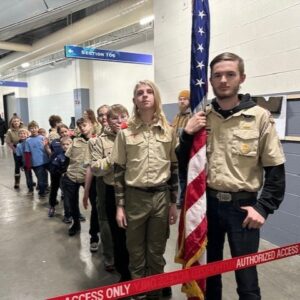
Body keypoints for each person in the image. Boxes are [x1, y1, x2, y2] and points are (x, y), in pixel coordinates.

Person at [176, 52, 286, 300]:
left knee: (246, 280)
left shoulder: (259, 117)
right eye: (217, 75)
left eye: (230, 74)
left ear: (241, 78)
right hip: (208, 206)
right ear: (211, 81)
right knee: (209, 275)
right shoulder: (202, 117)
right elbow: (184, 163)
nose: (223, 80)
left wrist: (264, 208)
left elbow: (275, 169)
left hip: (243, 209)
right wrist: (186, 134)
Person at [112, 80, 178, 300]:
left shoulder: (169, 131)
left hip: (160, 197)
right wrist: (120, 206)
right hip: (134, 198)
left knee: (156, 254)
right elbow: (119, 170)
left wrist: (172, 204)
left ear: (156, 97)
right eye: (140, 93)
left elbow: (174, 168)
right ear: (135, 100)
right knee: (136, 253)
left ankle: (156, 294)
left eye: (149, 92)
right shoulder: (125, 133)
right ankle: (139, 296)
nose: (145, 96)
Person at [88, 104, 131, 280]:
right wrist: (113, 158)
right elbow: (95, 168)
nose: (119, 121)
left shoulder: (135, 135)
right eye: (114, 117)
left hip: (134, 192)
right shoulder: (100, 141)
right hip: (112, 191)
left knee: (136, 235)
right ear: (108, 120)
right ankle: (124, 273)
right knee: (118, 235)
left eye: (123, 116)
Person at [62, 118, 99, 245]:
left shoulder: (97, 140)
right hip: (72, 175)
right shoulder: (75, 140)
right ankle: (76, 224)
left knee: (95, 204)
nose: (82, 128)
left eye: (85, 125)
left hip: (89, 177)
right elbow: (67, 156)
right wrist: (65, 172)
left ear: (91, 125)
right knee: (72, 203)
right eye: (80, 126)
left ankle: (95, 230)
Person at [171, 90, 191, 208]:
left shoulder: (192, 116)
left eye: (185, 99)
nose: (182, 101)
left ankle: (185, 201)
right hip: (177, 153)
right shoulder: (177, 117)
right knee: (181, 178)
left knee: (186, 178)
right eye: (180, 99)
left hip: (187, 153)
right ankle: (183, 200)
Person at [47, 136, 72, 217]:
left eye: (68, 144)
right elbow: (53, 166)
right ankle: (52, 206)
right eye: (63, 144)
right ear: (61, 145)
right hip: (58, 176)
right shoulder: (58, 155)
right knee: (54, 189)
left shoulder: (74, 155)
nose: (65, 146)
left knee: (69, 195)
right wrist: (59, 172)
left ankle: (73, 212)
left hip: (70, 178)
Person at [24, 121, 49, 198]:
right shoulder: (28, 141)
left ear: (38, 128)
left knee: (45, 177)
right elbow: (27, 153)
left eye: (35, 127)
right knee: (40, 178)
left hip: (45, 161)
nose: (34, 129)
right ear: (29, 130)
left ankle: (44, 188)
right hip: (36, 163)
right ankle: (41, 192)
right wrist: (28, 165)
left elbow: (47, 149)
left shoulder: (43, 138)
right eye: (31, 128)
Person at [5, 116, 25, 188]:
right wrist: (15, 150)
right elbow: (8, 142)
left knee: (26, 164)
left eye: (17, 121)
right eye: (14, 121)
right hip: (16, 149)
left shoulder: (24, 129)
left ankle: (30, 180)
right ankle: (17, 182)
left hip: (25, 148)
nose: (16, 122)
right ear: (12, 123)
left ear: (20, 122)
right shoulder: (10, 131)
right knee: (17, 165)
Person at [15, 128, 34, 194]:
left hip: (34, 161)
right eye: (20, 134)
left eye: (24, 133)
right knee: (28, 176)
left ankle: (41, 186)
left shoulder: (31, 141)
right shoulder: (18, 145)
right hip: (25, 163)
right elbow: (18, 156)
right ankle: (30, 188)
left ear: (27, 134)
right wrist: (20, 165)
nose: (22, 135)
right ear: (18, 135)